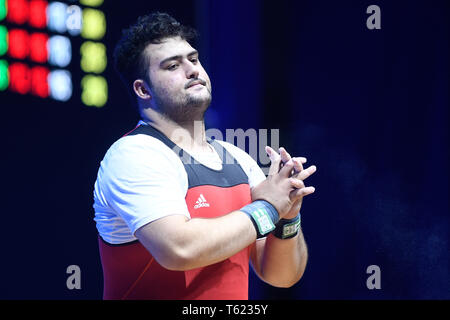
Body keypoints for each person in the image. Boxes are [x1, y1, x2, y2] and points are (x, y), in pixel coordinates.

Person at [93, 12, 317, 300]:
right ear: (142, 89)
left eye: (194, 59)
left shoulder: (238, 159)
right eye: (173, 65)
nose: (192, 70)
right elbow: (179, 249)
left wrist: (287, 216)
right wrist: (268, 209)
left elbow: (282, 276)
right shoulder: (134, 155)